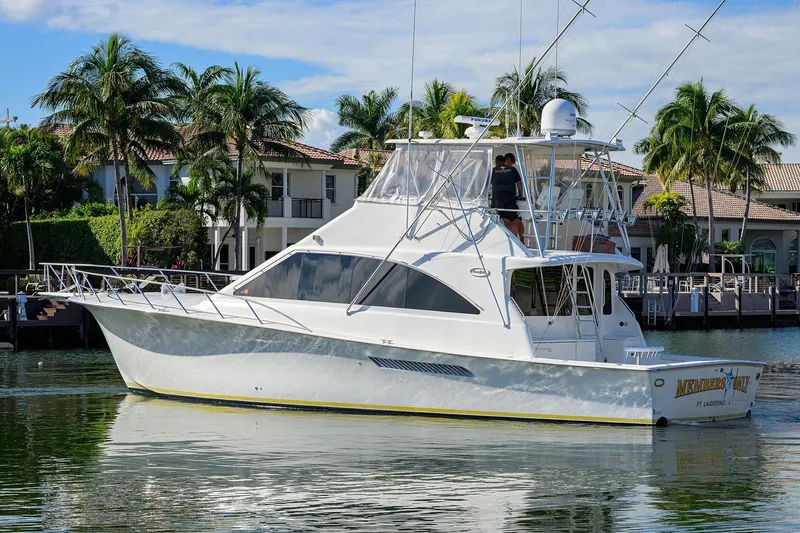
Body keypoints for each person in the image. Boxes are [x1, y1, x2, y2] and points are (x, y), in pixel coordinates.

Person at [490, 153, 525, 240]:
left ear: (496, 162)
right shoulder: (512, 169)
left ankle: (499, 241)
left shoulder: (493, 170)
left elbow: (488, 184)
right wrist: (521, 195)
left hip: (497, 196)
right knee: (511, 220)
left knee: (494, 219)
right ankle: (516, 241)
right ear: (505, 161)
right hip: (509, 195)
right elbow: (519, 183)